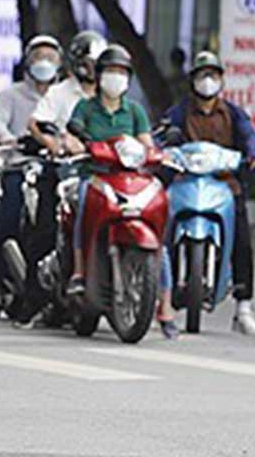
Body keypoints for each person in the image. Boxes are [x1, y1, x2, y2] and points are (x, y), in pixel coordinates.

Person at [62, 45, 174, 336]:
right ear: (99, 76)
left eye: (122, 72)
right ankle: (78, 270)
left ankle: (165, 298)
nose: (116, 77)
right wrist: (77, 143)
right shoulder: (86, 107)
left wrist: (159, 154)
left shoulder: (135, 110)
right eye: (111, 71)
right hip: (95, 177)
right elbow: (73, 132)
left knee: (160, 212)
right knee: (84, 199)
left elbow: (146, 143)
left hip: (130, 178)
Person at [160, 52, 255, 336]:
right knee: (161, 234)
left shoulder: (233, 113)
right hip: (185, 183)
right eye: (202, 75)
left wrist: (253, 154)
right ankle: (162, 300)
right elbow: (162, 134)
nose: (207, 82)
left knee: (242, 240)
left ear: (221, 80)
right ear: (192, 80)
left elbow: (249, 137)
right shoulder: (179, 112)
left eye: (213, 76)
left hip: (225, 185)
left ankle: (243, 307)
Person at [0, 35, 62, 296]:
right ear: (27, 62)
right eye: (39, 57)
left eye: (51, 58)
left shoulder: (62, 96)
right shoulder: (10, 94)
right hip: (19, 165)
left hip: (54, 167)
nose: (44, 62)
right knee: (7, 218)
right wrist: (8, 138)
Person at [29, 30, 107, 152]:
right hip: (70, 161)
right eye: (89, 63)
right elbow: (36, 124)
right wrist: (54, 144)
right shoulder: (59, 92)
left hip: (107, 160)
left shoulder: (111, 94)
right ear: (79, 63)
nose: (94, 68)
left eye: (98, 64)